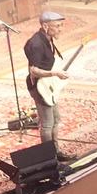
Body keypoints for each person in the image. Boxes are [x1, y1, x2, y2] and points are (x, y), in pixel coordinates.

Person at [22, 10, 69, 145]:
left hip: (48, 85)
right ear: (45, 26)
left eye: (61, 26)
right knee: (47, 124)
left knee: (56, 119)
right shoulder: (36, 44)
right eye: (57, 26)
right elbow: (34, 70)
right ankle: (49, 157)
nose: (61, 29)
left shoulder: (48, 39)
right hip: (39, 87)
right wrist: (55, 74)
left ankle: (56, 152)